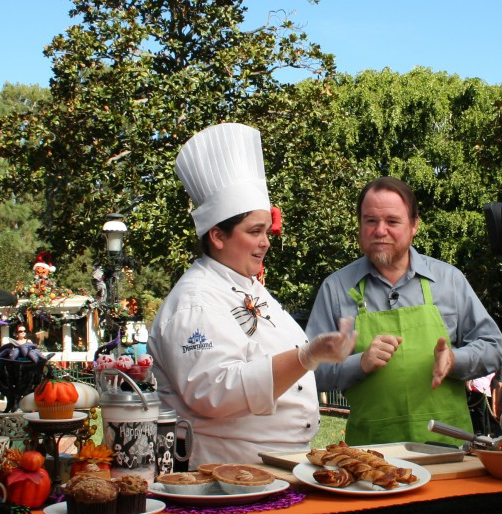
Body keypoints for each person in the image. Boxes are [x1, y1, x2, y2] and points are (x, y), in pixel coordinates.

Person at [148, 122, 355, 467]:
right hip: (225, 471)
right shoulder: (194, 302)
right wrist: (306, 357)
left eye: (266, 230)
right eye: (255, 231)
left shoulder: (249, 286)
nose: (266, 242)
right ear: (217, 235)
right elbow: (212, 392)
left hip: (273, 467)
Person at [305, 176, 502, 445]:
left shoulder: (449, 280)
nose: (380, 230)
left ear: (414, 226)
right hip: (370, 455)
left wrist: (455, 360)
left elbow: (493, 348)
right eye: (370, 221)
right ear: (360, 226)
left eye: (392, 221)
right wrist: (358, 364)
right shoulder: (335, 288)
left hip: (446, 448)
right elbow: (309, 370)